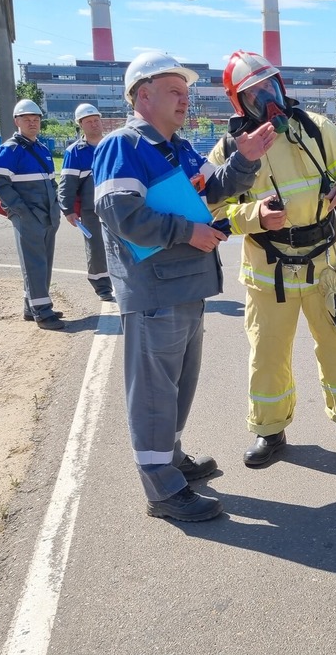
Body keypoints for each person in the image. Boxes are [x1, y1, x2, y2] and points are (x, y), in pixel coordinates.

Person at [92, 51, 275, 522]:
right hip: (154, 291)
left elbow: (215, 188)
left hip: (186, 288)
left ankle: (170, 462)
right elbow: (122, 215)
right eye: (175, 92)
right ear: (143, 95)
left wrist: (246, 159)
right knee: (154, 392)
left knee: (178, 387)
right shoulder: (124, 145)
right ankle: (162, 491)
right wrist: (187, 232)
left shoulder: (179, 147)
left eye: (186, 94)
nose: (184, 102)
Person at [208, 50, 336, 468]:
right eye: (253, 94)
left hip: (327, 266)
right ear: (239, 104)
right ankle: (270, 432)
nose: (266, 98)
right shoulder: (233, 149)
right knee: (267, 355)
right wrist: (254, 216)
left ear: (281, 86)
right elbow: (210, 209)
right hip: (270, 273)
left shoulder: (316, 128)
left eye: (270, 87)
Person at [0, 98, 64, 330]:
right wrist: (22, 213)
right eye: (27, 119)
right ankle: (42, 312)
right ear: (16, 121)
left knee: (44, 262)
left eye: (36, 119)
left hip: (48, 215)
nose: (32, 123)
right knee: (34, 264)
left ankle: (31, 307)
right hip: (28, 215)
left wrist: (56, 208)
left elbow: (51, 183)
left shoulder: (42, 149)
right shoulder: (9, 149)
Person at [58, 103, 115, 302]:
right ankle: (102, 287)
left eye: (96, 120)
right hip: (91, 211)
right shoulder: (75, 152)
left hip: (117, 208)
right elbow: (67, 184)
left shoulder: (112, 145)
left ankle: (126, 282)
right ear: (81, 125)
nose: (94, 125)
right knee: (96, 249)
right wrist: (68, 210)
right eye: (88, 122)